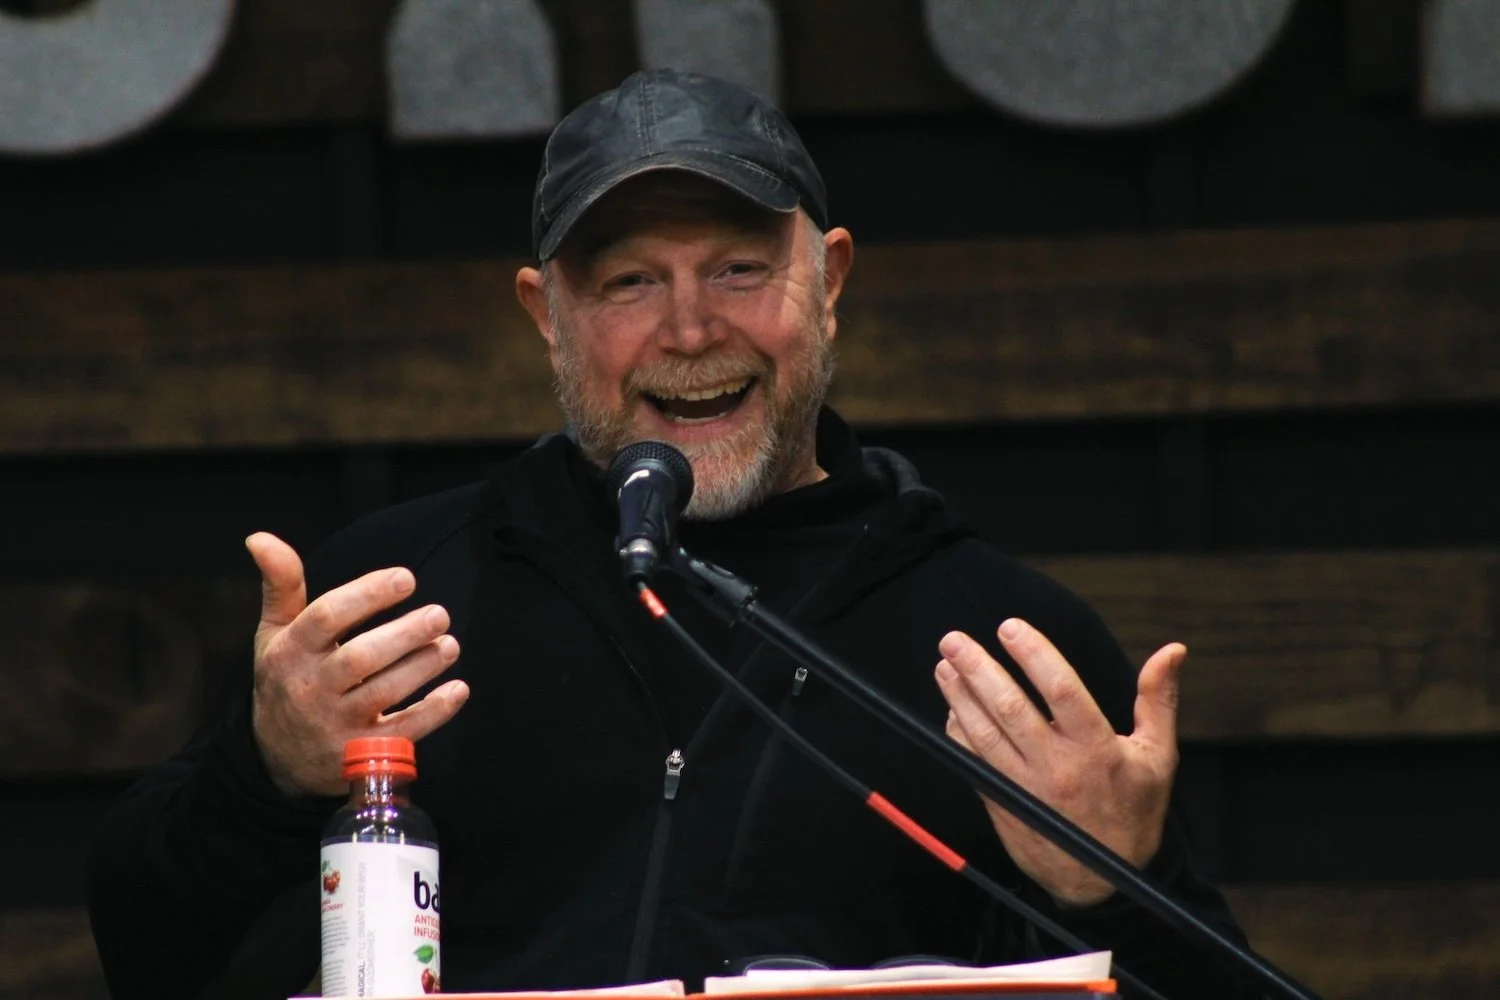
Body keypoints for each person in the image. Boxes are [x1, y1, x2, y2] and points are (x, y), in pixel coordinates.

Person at [88, 69, 1255, 1000]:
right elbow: (153, 963)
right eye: (630, 282)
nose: (692, 330)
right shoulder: (397, 604)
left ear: (830, 280)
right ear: (546, 314)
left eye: (742, 269)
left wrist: (1121, 890)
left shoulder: (1005, 647)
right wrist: (268, 774)